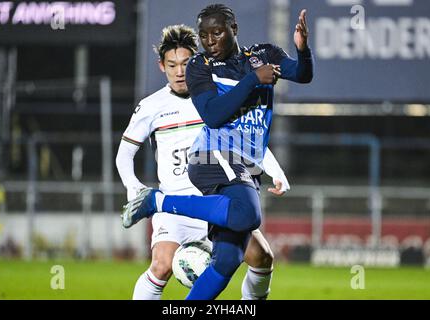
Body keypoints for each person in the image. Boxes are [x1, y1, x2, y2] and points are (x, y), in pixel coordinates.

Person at [122, 4, 313, 300]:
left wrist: (303, 51)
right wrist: (252, 80)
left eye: (217, 32)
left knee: (227, 260)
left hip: (243, 162)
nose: (209, 41)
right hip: (212, 156)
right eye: (203, 35)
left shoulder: (264, 56)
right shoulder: (200, 66)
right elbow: (213, 115)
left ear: (234, 29)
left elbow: (302, 75)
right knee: (247, 214)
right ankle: (157, 200)